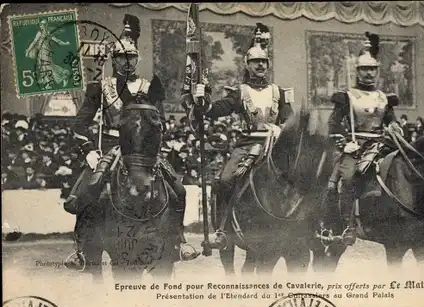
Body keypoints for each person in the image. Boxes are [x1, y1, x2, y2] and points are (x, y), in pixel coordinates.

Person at [63, 14, 198, 272]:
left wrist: (156, 146)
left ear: (138, 59)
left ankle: (177, 241)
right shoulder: (100, 87)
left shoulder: (150, 86)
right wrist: (90, 150)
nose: (127, 62)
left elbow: (159, 121)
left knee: (179, 190)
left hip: (146, 152)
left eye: (131, 57)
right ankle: (81, 248)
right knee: (88, 189)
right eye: (121, 57)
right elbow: (79, 125)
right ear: (114, 60)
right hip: (113, 148)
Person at [184, 23, 294, 209]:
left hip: (275, 146)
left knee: (298, 178)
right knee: (225, 179)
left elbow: (290, 120)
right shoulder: (240, 92)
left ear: (267, 65)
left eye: (263, 61)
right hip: (247, 145)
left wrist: (281, 128)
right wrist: (201, 100)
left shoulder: (279, 92)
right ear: (247, 64)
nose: (260, 64)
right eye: (255, 61)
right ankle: (223, 227)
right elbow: (216, 109)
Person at [327, 32, 403, 245]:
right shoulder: (347, 96)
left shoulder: (384, 98)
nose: (369, 73)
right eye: (364, 69)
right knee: (349, 177)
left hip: (381, 144)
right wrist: (345, 144)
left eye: (372, 69)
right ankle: (346, 226)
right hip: (355, 146)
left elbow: (390, 121)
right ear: (357, 72)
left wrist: (395, 127)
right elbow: (333, 126)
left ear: (377, 72)